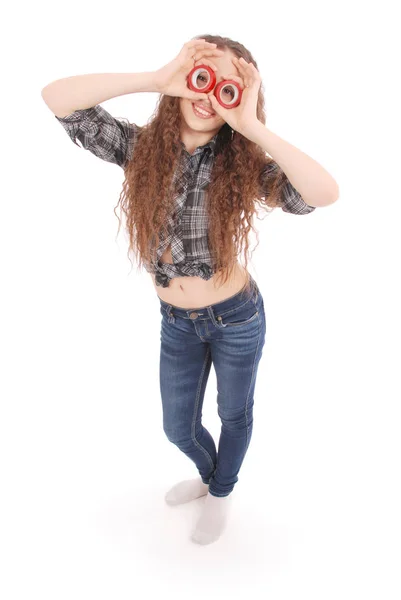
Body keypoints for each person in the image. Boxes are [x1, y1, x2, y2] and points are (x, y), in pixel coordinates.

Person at [41, 34, 338, 545]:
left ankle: (222, 491)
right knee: (178, 427)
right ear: (182, 82)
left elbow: (322, 194)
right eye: (202, 78)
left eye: (227, 89)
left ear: (238, 102)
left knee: (233, 414)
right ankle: (211, 478)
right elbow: (58, 99)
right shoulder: (139, 150)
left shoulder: (241, 167)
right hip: (176, 321)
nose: (208, 94)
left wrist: (250, 125)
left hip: (236, 318)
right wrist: (155, 79)